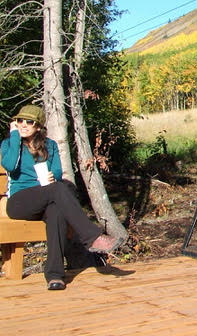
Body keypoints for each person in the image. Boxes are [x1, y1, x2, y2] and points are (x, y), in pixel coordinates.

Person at [1, 105, 124, 290]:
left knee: (56, 211)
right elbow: (10, 165)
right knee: (58, 190)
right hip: (19, 202)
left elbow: (57, 171)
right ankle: (92, 237)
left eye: (29, 122)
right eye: (19, 121)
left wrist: (52, 176)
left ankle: (55, 276)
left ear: (38, 126)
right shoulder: (9, 143)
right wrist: (15, 137)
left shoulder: (49, 145)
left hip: (45, 198)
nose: (23, 125)